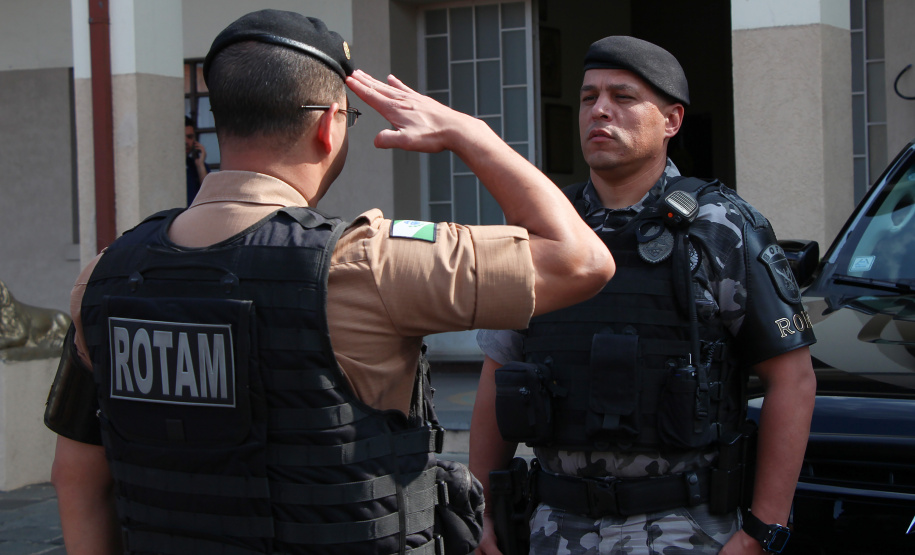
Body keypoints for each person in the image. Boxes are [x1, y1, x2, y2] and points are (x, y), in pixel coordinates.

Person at [43, 9, 614, 555]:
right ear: (327, 126)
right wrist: (472, 134)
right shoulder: (367, 265)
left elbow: (76, 479)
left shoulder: (105, 276)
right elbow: (581, 261)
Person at [469, 36, 817, 555]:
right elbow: (499, 371)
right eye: (589, 98)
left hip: (685, 528)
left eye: (623, 97)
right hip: (552, 529)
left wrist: (763, 531)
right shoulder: (542, 230)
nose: (600, 110)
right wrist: (481, 514)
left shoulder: (721, 228)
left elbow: (792, 377)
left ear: (671, 121)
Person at [185, 115, 210, 205]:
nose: (186, 141)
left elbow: (209, 195)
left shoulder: (197, 165)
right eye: (183, 136)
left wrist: (200, 166)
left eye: (190, 137)